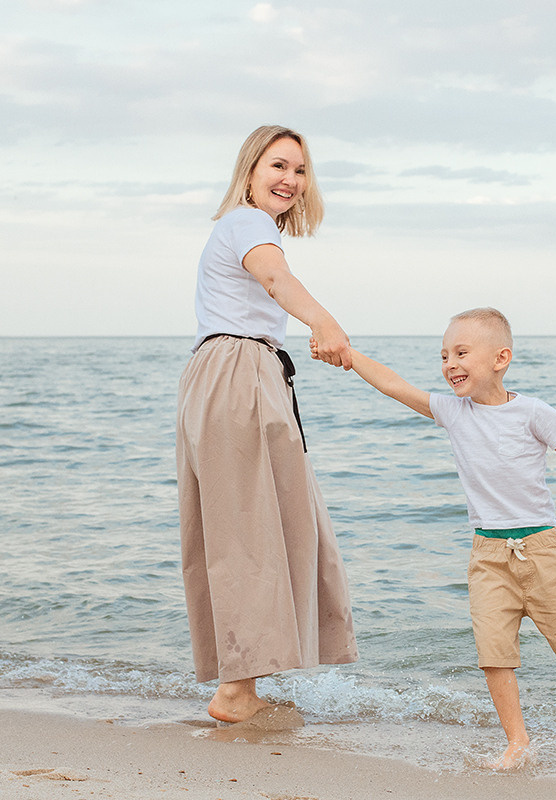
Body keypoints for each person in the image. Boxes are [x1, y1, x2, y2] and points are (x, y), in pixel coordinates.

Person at [319, 307, 556, 768]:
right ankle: (517, 742)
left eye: (462, 352)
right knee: (494, 653)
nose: (449, 363)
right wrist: (348, 354)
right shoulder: (452, 411)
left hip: (541, 548)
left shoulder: (532, 412)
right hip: (488, 553)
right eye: (444, 354)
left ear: (500, 358)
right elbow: (393, 385)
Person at [176, 125, 358, 726]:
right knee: (248, 532)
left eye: (300, 171)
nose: (290, 180)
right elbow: (277, 281)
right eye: (278, 166)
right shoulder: (247, 223)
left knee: (259, 526)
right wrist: (325, 323)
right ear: (250, 171)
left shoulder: (245, 228)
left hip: (238, 374)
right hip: (238, 373)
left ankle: (242, 683)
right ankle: (235, 691)